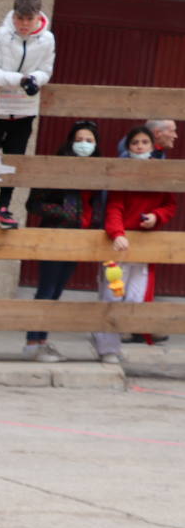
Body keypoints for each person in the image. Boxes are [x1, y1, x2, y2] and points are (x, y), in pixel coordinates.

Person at [90, 126, 177, 366]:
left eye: (144, 142)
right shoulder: (122, 173)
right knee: (112, 295)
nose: (140, 147)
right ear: (128, 148)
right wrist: (117, 233)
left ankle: (114, 341)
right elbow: (114, 207)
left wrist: (156, 216)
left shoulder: (160, 173)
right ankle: (108, 348)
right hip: (119, 245)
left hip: (145, 245)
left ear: (152, 146)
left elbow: (170, 204)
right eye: (135, 143)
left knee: (136, 298)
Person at [23, 120, 104, 363]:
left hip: (81, 238)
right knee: (46, 290)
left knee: (57, 291)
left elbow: (97, 204)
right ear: (70, 142)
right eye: (79, 140)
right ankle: (32, 343)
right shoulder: (55, 168)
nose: (83, 145)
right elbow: (33, 204)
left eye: (89, 141)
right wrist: (65, 212)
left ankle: (42, 341)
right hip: (56, 235)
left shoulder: (100, 171)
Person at [0, 0, 54, 230]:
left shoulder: (47, 39)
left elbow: (46, 69)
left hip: (23, 109)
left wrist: (35, 80)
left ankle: (4, 207)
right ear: (14, 16)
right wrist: (19, 79)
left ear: (37, 18)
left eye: (28, 19)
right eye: (20, 18)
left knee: (14, 157)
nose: (23, 24)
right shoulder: (0, 35)